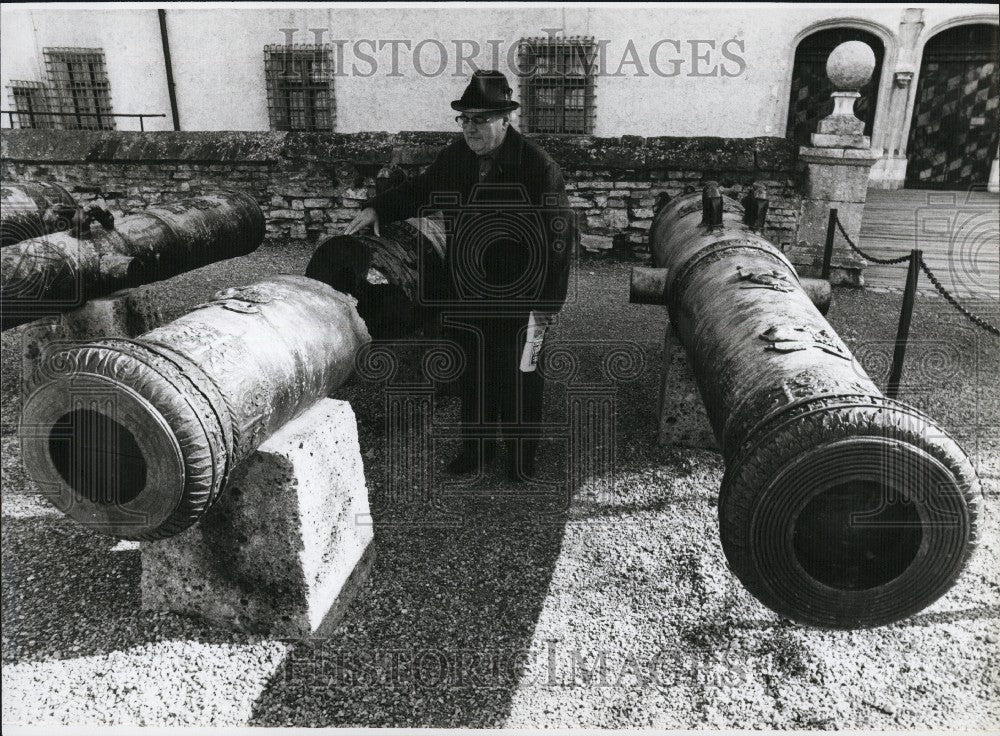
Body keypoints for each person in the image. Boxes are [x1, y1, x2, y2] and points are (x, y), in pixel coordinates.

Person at [344, 69, 574, 482]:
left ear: (505, 119)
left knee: (521, 380)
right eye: (464, 119)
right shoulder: (457, 159)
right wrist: (379, 207)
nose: (470, 128)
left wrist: (545, 310)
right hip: (467, 293)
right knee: (474, 378)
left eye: (480, 120)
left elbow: (559, 243)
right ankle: (476, 451)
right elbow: (421, 188)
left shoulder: (538, 169)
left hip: (522, 301)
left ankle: (522, 459)